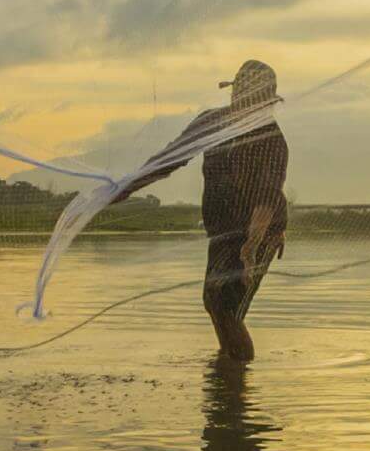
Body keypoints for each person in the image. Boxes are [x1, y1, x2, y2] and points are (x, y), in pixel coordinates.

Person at [112, 59, 288, 360]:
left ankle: (235, 385)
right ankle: (229, 372)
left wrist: (251, 250)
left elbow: (266, 198)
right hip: (223, 229)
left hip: (259, 231)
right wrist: (126, 187)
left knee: (226, 306)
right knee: (214, 302)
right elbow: (171, 157)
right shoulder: (212, 122)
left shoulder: (270, 139)